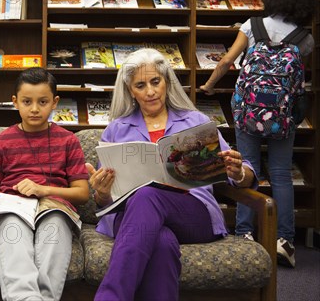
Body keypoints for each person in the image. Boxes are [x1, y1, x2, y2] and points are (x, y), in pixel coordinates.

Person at [90, 48, 256, 301]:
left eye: (156, 81)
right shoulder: (116, 130)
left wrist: (238, 170)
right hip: (136, 218)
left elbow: (244, 175)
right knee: (161, 241)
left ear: (167, 81)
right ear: (130, 91)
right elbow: (107, 201)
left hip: (192, 214)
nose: (150, 91)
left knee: (147, 194)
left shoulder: (195, 121)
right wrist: (102, 193)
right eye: (141, 85)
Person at [200, 0, 316, 268]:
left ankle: (245, 234)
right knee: (280, 174)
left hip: (248, 113)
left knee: (244, 166)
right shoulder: (306, 38)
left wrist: (209, 86)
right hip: (281, 117)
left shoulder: (253, 25)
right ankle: (285, 241)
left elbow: (227, 60)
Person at [0, 67, 89, 301]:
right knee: (13, 231)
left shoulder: (68, 140)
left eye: (42, 102)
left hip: (54, 205)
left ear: (55, 102)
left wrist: (43, 190)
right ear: (15, 102)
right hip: (13, 207)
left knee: (54, 229)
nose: (35, 109)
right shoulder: (2, 141)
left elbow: (82, 193)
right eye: (27, 101)